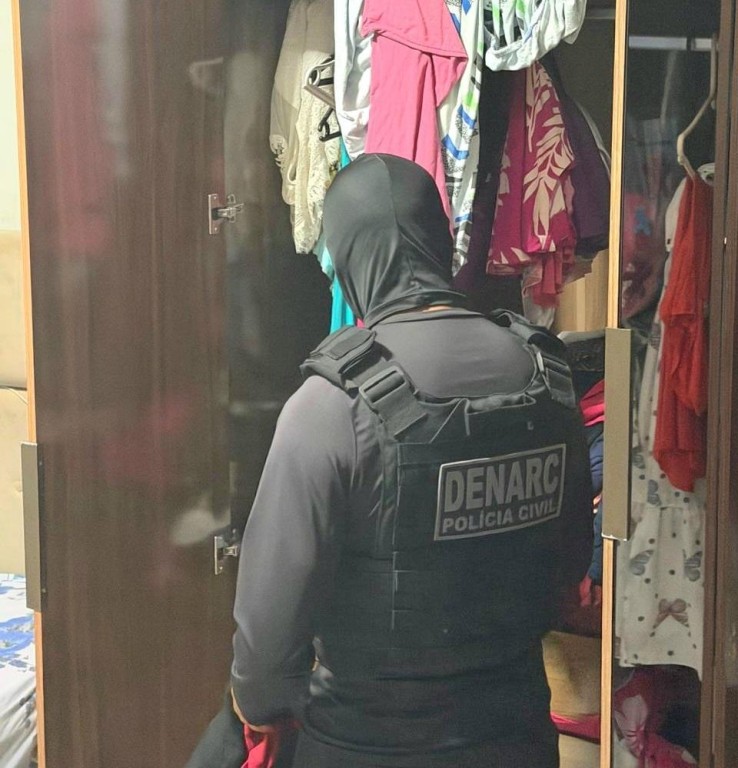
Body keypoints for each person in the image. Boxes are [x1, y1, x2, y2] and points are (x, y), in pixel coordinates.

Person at [189, 153, 593, 768]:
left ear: (348, 257)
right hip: (518, 739)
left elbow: (266, 655)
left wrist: (261, 705)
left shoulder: (329, 407)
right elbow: (568, 568)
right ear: (440, 243)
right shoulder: (547, 378)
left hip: (363, 746)